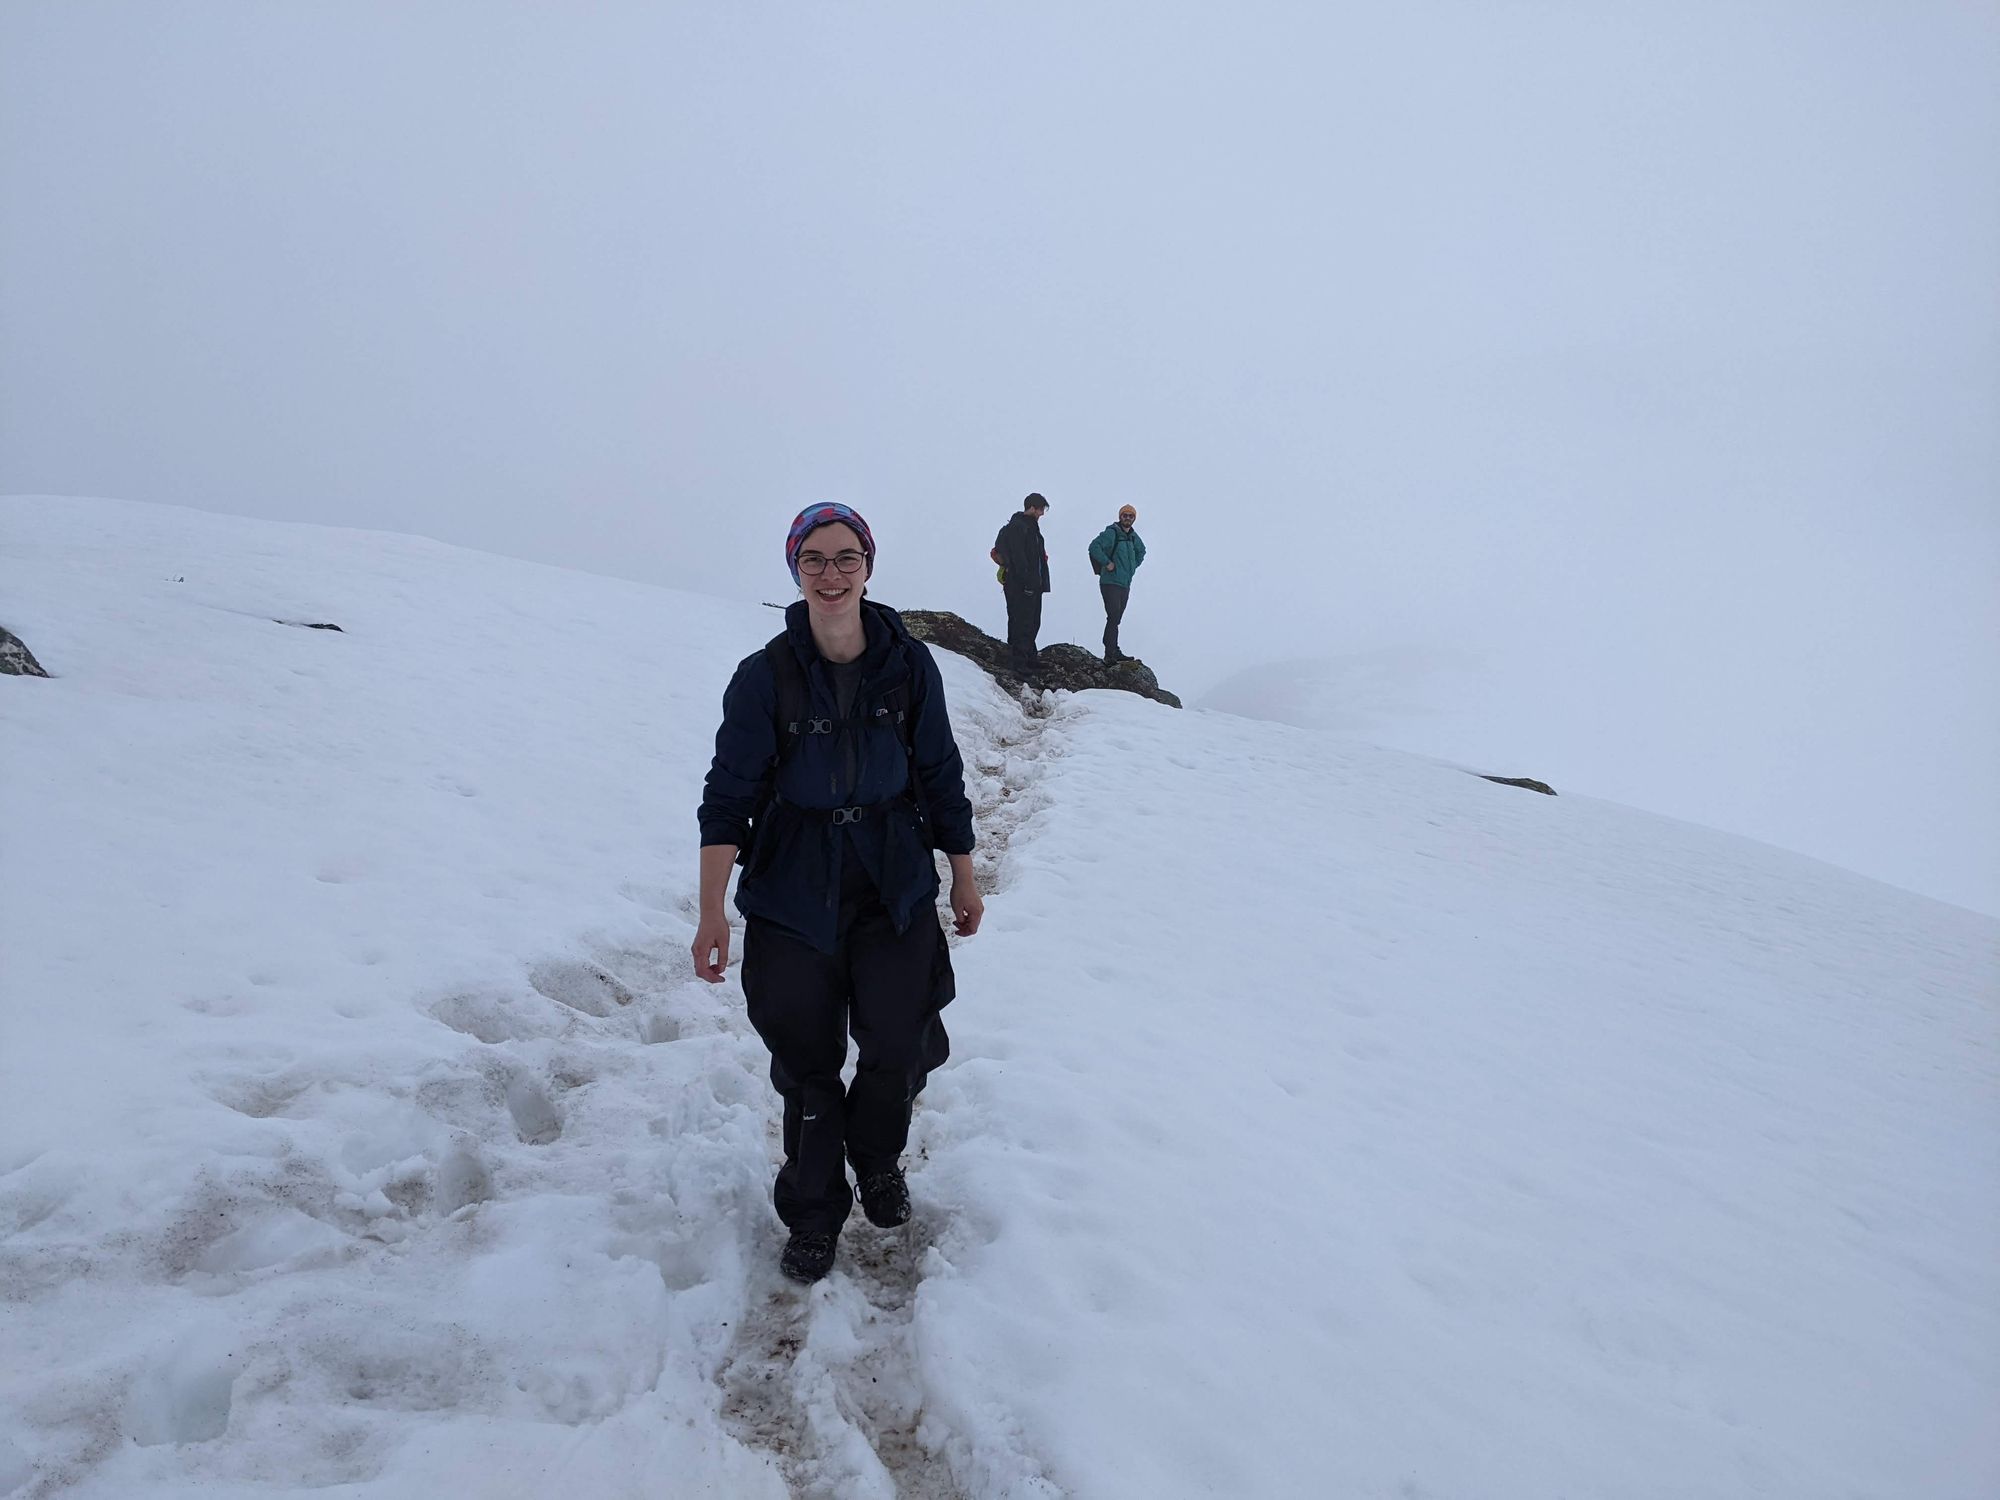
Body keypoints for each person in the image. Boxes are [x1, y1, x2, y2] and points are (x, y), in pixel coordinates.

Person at [694, 502, 983, 1284]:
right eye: (814, 559)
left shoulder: (909, 665)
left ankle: (877, 1160)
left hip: (890, 882)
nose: (831, 573)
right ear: (795, 568)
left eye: (845, 558)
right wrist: (712, 909)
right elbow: (728, 797)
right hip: (794, 889)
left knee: (898, 1043)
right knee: (808, 1060)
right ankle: (814, 1207)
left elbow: (940, 773)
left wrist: (962, 871)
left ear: (869, 565)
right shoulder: (765, 677)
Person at [990, 492, 1052, 678]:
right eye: (1041, 509)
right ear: (1033, 507)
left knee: (1032, 621)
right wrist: (1027, 582)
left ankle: (1029, 658)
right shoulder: (1019, 527)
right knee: (1021, 621)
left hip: (1033, 584)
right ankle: (1018, 661)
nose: (1042, 513)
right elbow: (1019, 557)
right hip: (1020, 584)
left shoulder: (1031, 528)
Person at [1088, 504, 1147, 663]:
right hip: (1110, 582)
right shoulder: (1111, 532)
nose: (1127, 518)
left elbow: (1142, 551)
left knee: (1116, 618)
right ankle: (1110, 653)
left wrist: (1132, 567)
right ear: (1120, 516)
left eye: (1131, 516)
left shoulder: (1133, 537)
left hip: (1124, 583)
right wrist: (1107, 563)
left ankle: (1113, 649)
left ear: (1134, 518)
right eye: (1125, 515)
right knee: (1113, 616)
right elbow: (1094, 547)